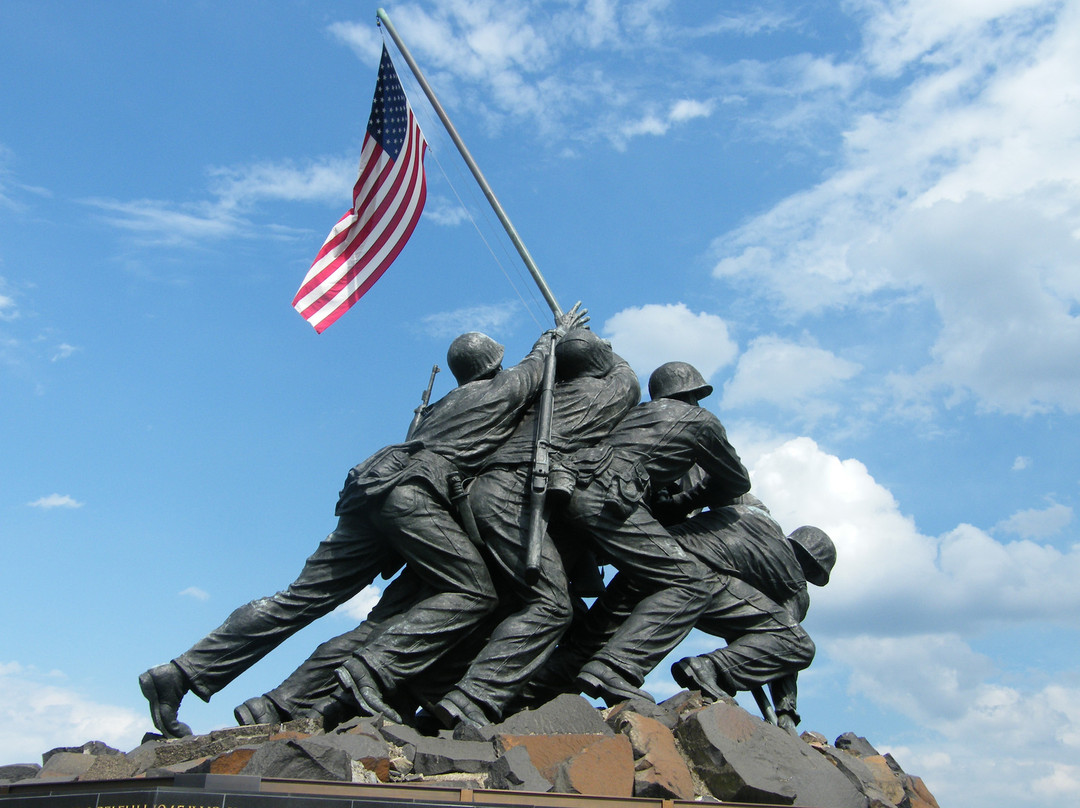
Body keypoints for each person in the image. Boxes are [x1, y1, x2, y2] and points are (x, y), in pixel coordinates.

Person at [139, 306, 586, 738]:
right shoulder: (500, 389)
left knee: (297, 599)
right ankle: (371, 668)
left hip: (369, 486)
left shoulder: (441, 406)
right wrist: (558, 332)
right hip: (413, 494)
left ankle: (182, 672)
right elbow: (537, 364)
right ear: (493, 363)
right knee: (473, 591)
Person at [422, 328, 640, 729]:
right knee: (552, 606)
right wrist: (589, 346)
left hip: (478, 495)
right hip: (513, 494)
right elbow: (625, 378)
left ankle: (432, 687)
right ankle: (472, 697)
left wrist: (560, 348)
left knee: (508, 602)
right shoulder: (602, 393)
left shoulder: (540, 401)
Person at [547, 361, 751, 706]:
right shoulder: (701, 421)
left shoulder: (633, 416)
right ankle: (617, 668)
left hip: (567, 494)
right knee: (690, 585)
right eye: (697, 396)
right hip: (608, 498)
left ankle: (525, 686)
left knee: (555, 604)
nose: (699, 403)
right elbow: (737, 481)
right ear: (690, 394)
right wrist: (691, 498)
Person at [666, 498, 835, 732]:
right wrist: (786, 711)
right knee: (801, 645)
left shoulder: (756, 525)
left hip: (672, 556)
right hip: (706, 585)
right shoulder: (796, 585)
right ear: (814, 569)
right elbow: (786, 643)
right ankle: (710, 667)